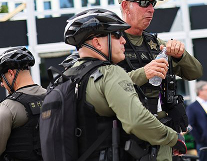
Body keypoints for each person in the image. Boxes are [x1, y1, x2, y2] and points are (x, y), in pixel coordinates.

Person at [41, 8, 180, 159]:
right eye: (117, 35)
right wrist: (174, 138)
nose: (123, 40)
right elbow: (137, 121)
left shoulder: (66, 77)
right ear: (97, 43)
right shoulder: (110, 73)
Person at [116, 0, 203, 161]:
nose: (151, 9)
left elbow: (195, 72)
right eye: (143, 3)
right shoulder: (112, 44)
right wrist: (144, 73)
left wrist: (180, 55)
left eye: (152, 3)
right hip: (125, 136)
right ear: (125, 6)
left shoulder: (157, 45)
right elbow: (105, 87)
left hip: (161, 135)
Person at [0, 47, 46, 160]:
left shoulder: (8, 107)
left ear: (11, 73)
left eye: (1, 79)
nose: (2, 84)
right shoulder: (52, 95)